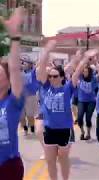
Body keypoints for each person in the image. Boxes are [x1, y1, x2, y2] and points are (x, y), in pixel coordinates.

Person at [35, 46, 93, 180]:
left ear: (62, 78)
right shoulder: (46, 87)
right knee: (50, 160)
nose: (51, 78)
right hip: (49, 129)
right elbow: (42, 69)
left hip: (64, 130)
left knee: (63, 158)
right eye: (50, 76)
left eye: (55, 76)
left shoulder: (67, 88)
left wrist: (84, 59)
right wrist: (46, 52)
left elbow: (77, 72)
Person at [0, 7, 26, 180]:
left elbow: (15, 69)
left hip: (8, 167)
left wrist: (14, 37)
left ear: (8, 81)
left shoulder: (12, 102)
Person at [74, 64, 97, 140]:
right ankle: (82, 132)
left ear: (89, 72)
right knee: (79, 117)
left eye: (86, 72)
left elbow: (92, 89)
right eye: (83, 71)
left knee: (88, 118)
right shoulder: (80, 77)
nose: (84, 73)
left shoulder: (93, 79)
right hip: (81, 101)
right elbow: (76, 69)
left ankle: (88, 133)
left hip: (91, 101)